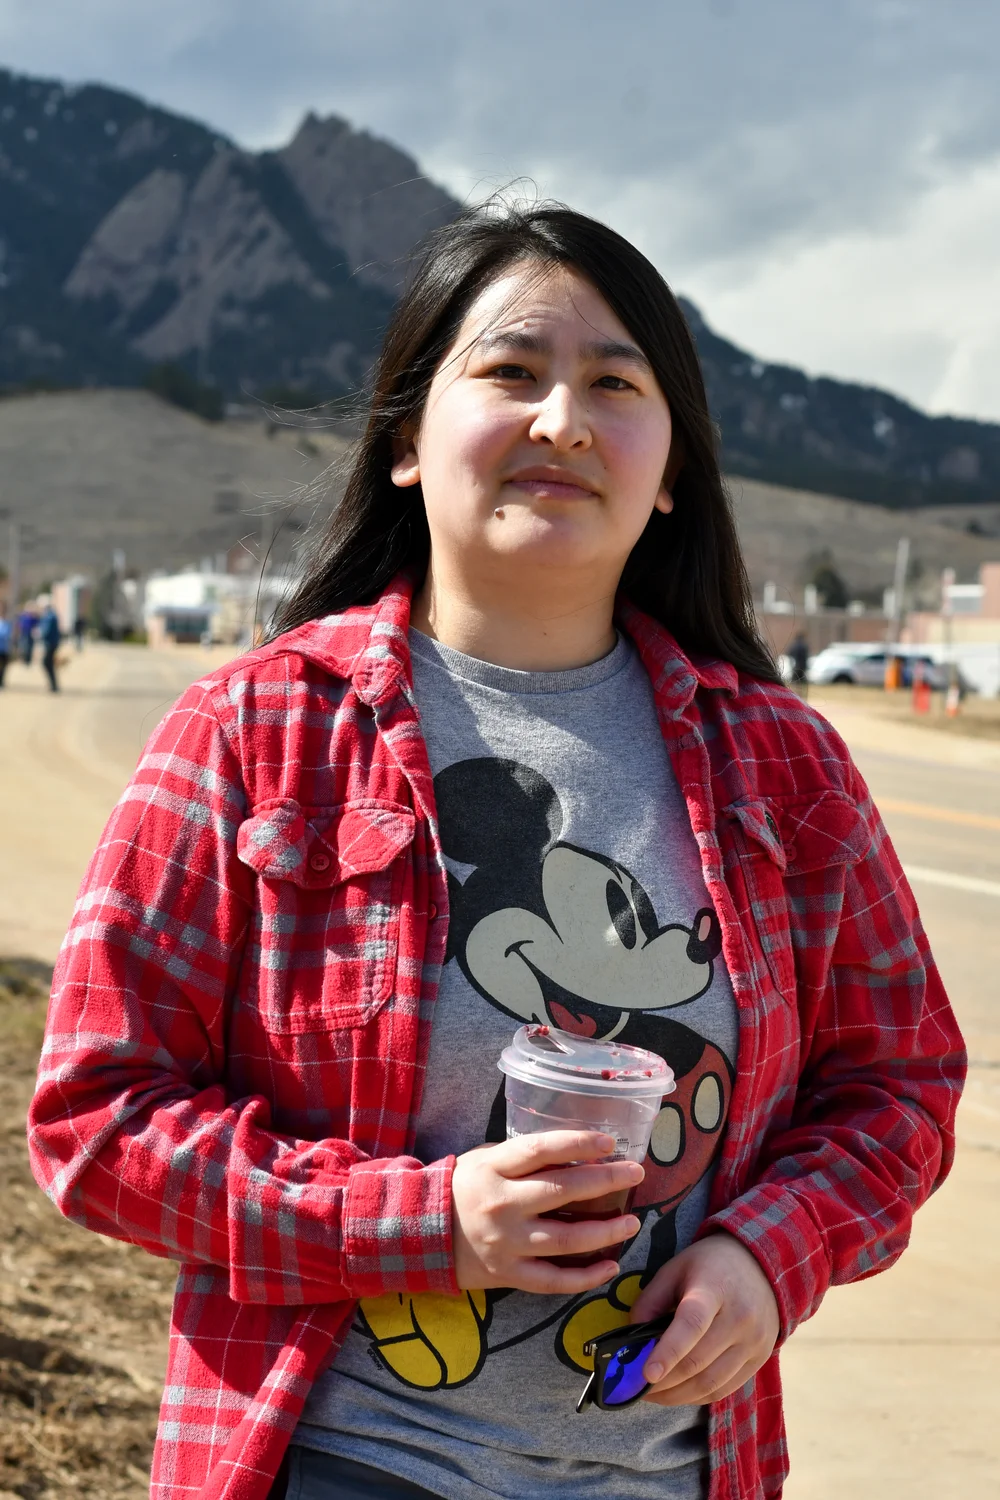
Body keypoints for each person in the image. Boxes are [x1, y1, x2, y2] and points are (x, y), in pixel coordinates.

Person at [27, 205, 965, 1500]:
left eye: (614, 384)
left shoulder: (790, 768)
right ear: (408, 440)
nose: (563, 421)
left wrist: (769, 1254)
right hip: (337, 1461)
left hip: (668, 1473)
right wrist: (427, 1226)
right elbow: (97, 1119)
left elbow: (900, 1089)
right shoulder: (253, 734)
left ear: (672, 466)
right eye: (513, 371)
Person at [38, 603, 61, 692]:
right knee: (48, 663)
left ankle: (53, 684)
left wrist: (38, 634)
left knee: (46, 663)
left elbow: (45, 630)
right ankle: (53, 684)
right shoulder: (51, 616)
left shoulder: (49, 617)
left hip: (50, 643)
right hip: (51, 643)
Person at [0, 602, 10, 687]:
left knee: (3, 667)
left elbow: (5, 635)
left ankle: (1, 682)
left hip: (3, 649)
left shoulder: (6, 623)